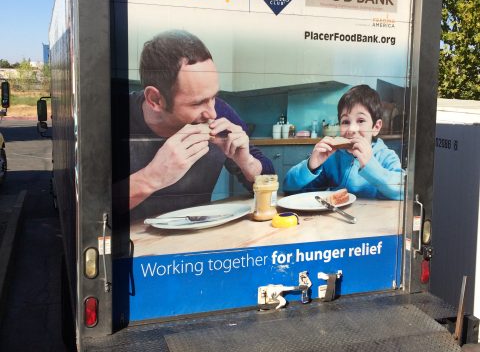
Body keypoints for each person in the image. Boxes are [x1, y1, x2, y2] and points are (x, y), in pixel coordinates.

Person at [114, 30, 274, 220]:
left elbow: (268, 187)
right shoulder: (109, 117)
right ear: (155, 99)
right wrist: (152, 177)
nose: (212, 113)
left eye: (214, 97)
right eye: (197, 103)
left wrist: (246, 162)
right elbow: (85, 211)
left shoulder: (221, 113)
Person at [283, 85, 404, 200]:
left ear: (376, 127)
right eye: (346, 122)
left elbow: (403, 191)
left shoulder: (386, 156)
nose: (351, 129)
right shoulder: (331, 159)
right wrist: (311, 166)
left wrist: (370, 164)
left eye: (361, 120)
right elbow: (289, 189)